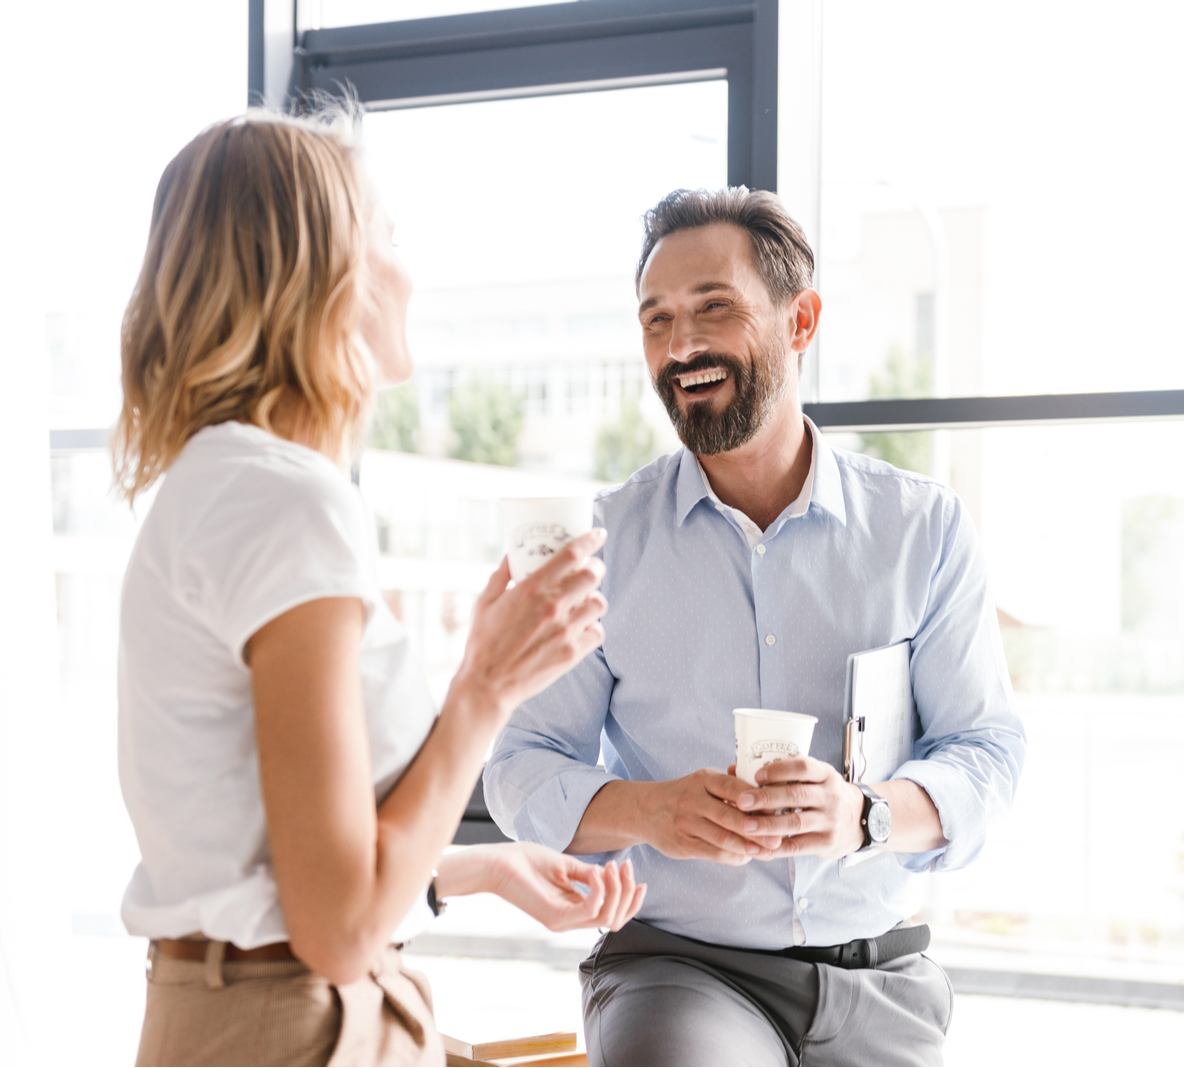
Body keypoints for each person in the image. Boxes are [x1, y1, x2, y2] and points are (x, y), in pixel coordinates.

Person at [113, 109, 644, 1068]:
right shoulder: (285, 503)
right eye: (389, 237)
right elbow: (338, 930)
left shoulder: (220, 484)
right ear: (324, 275)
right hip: (289, 1029)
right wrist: (485, 689)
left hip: (231, 1017)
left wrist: (482, 869)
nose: (409, 270)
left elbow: (289, 871)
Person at [485, 187, 1026, 1067]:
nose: (680, 346)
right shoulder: (604, 543)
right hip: (678, 969)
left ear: (801, 319)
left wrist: (866, 816)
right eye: (655, 320)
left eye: (713, 310)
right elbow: (519, 768)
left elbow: (986, 751)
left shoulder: (921, 529)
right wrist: (650, 811)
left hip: (877, 978)